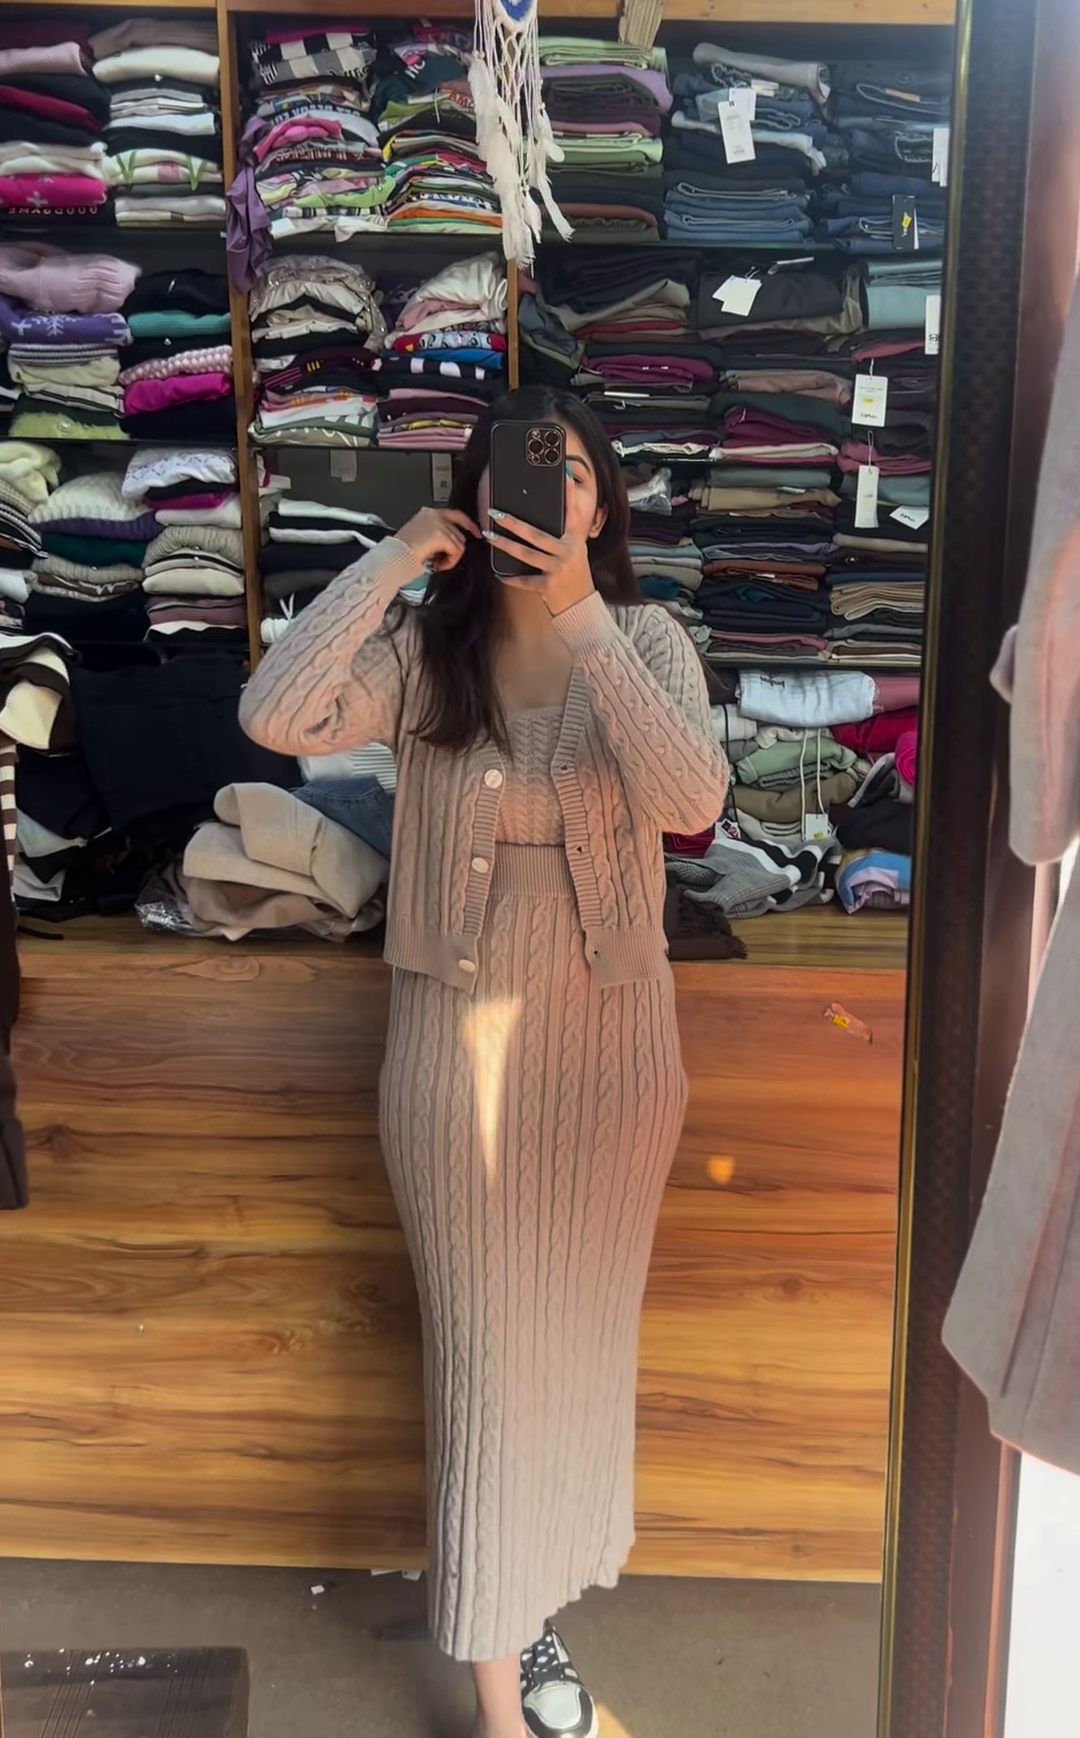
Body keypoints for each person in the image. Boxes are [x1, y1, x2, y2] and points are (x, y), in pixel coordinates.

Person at [240, 387, 729, 1738]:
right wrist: (397, 557)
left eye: (569, 472)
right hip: (454, 1063)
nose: (546, 491)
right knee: (484, 1367)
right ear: (476, 492)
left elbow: (693, 800)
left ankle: (535, 1607)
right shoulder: (423, 655)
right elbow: (276, 714)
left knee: (572, 1354)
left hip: (612, 1060)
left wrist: (578, 611)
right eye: (520, 469)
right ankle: (498, 1697)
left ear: (601, 502)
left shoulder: (645, 637)